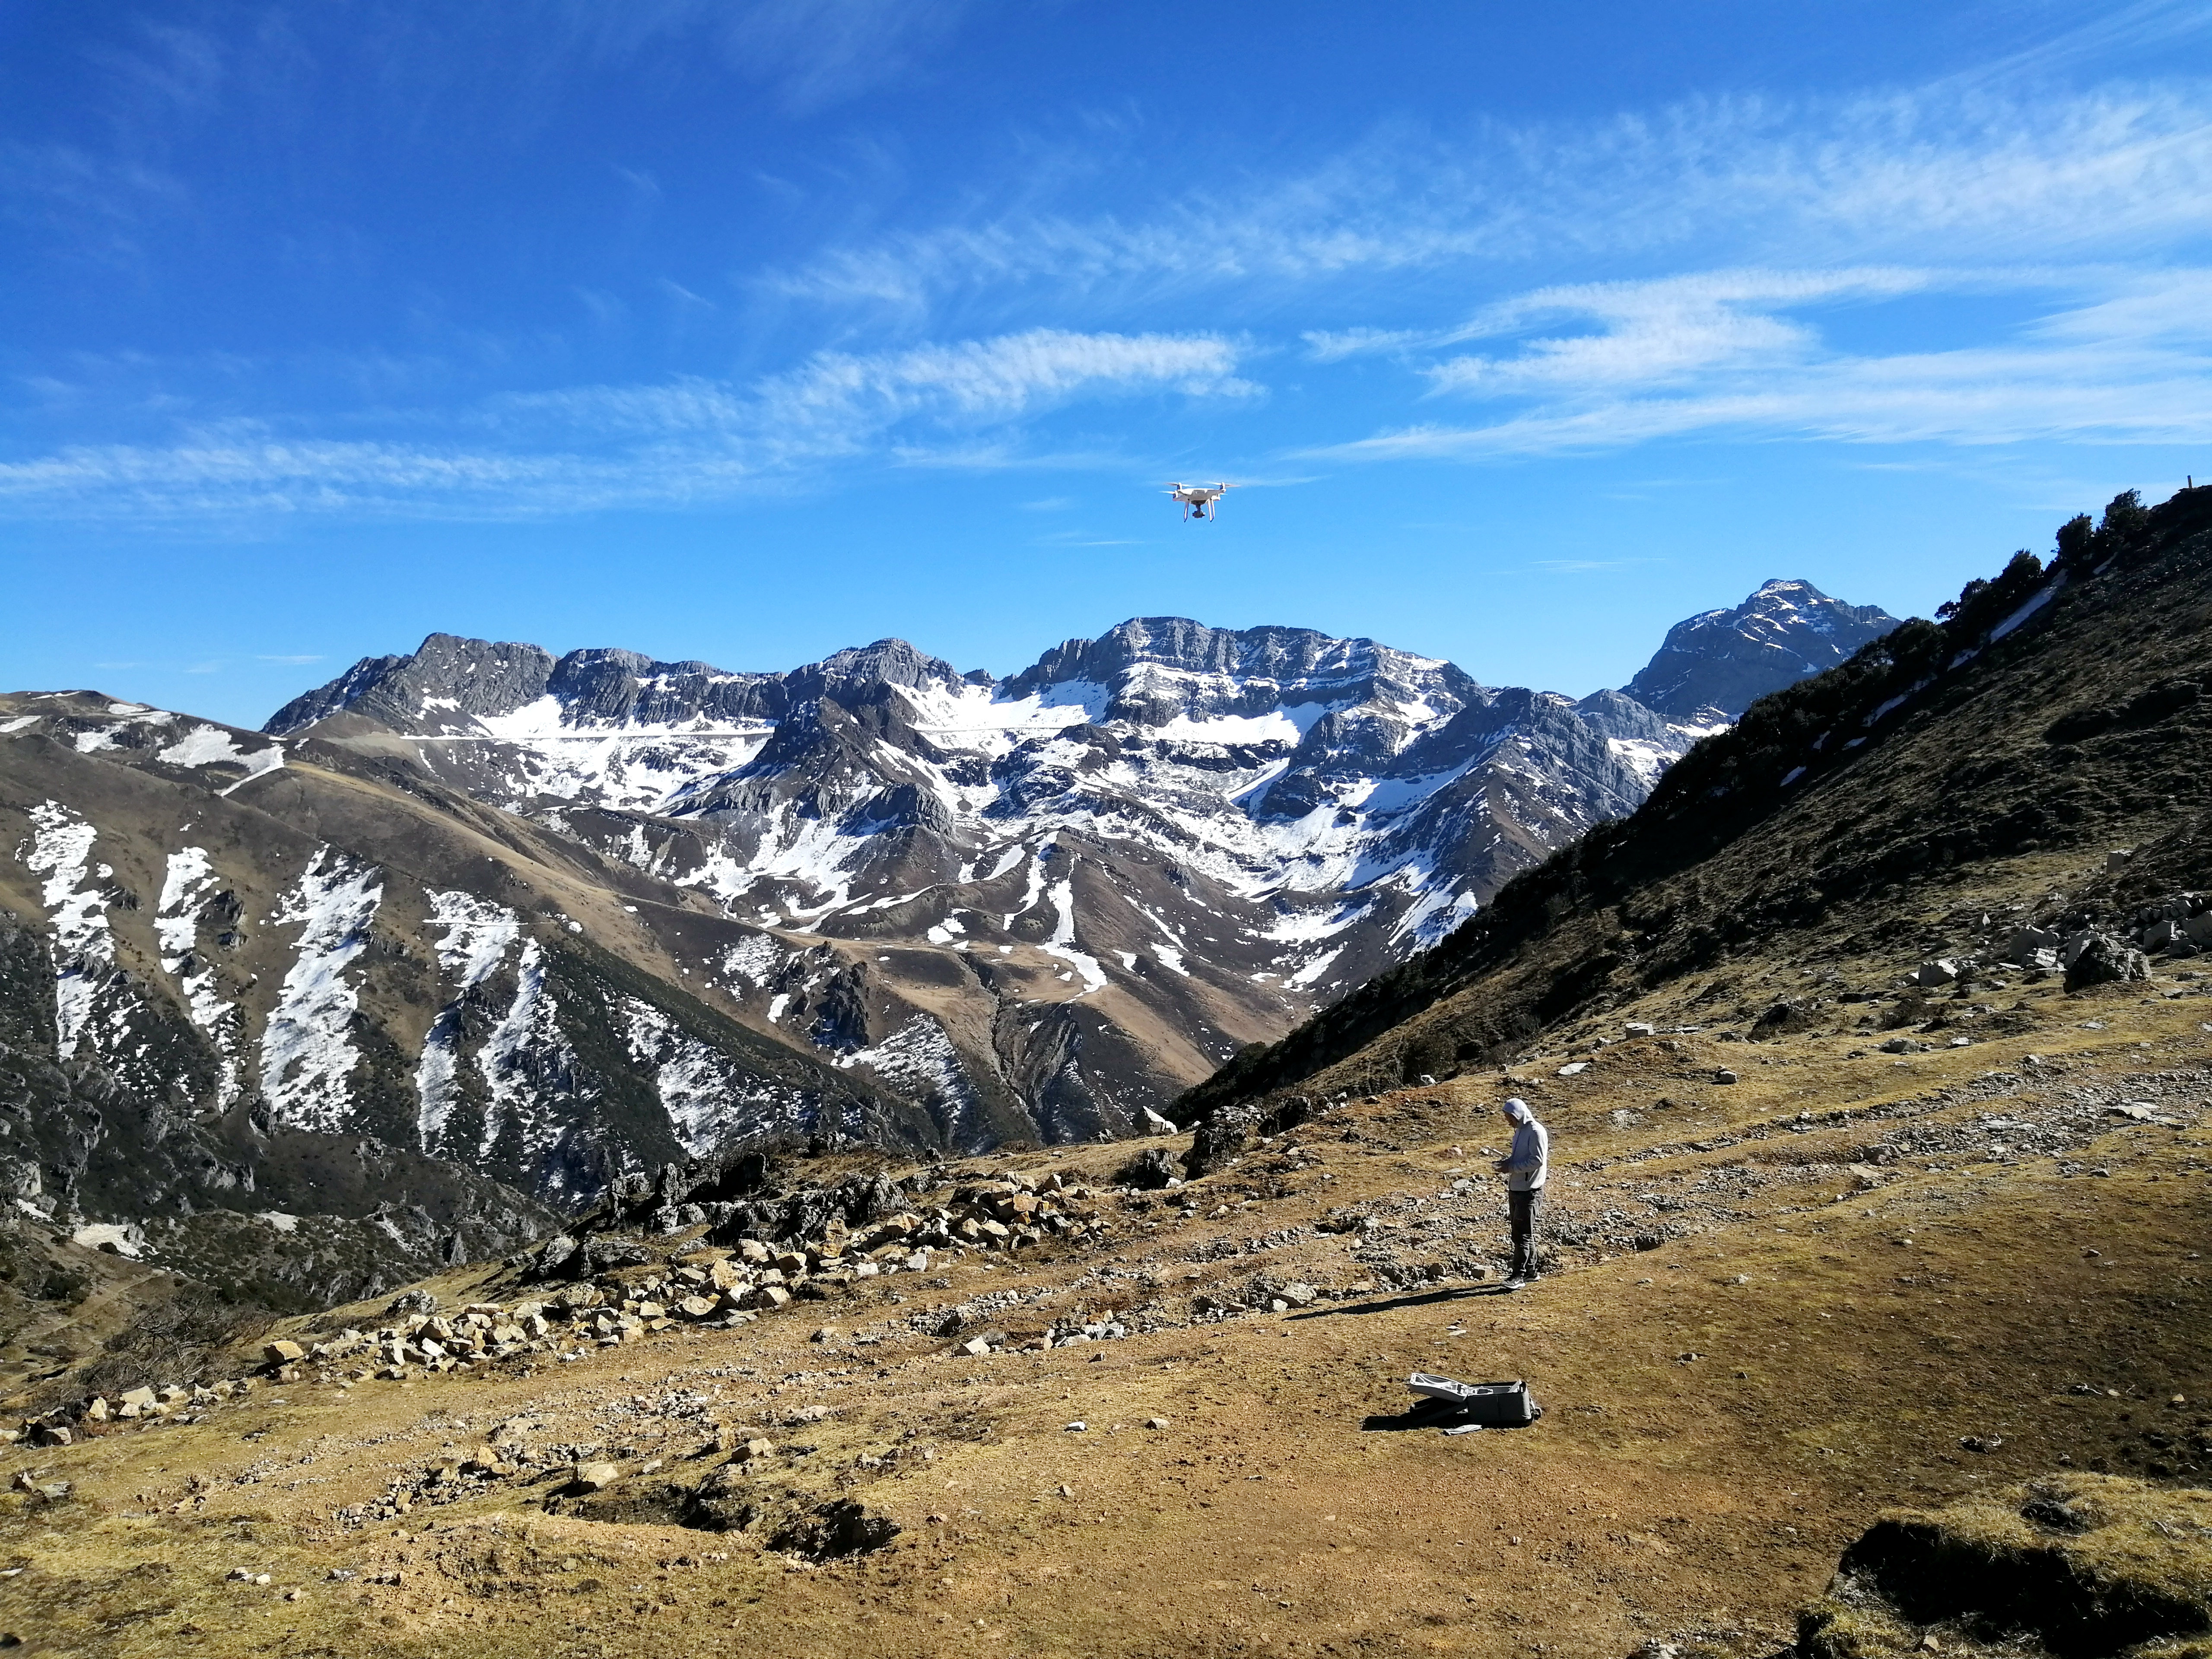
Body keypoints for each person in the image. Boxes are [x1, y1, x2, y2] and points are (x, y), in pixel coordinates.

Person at [1493, 1098, 1548, 1289]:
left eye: (1510, 1117)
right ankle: (1531, 1272)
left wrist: (1511, 1168)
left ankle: (1519, 1276)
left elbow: (1538, 1161)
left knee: (1522, 1234)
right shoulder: (1519, 1132)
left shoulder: (1536, 1131)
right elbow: (1520, 1158)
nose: (1508, 1121)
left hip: (1529, 1190)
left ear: (1518, 1115)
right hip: (1517, 1188)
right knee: (1524, 1232)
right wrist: (1507, 1163)